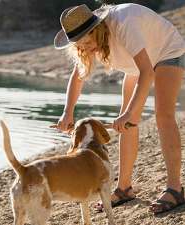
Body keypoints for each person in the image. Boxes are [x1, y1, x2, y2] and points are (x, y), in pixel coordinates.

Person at [53, 3, 185, 214]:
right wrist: (67, 112)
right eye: (81, 46)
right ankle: (124, 188)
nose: (86, 49)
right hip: (137, 62)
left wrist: (129, 113)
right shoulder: (84, 40)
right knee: (127, 124)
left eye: (88, 42)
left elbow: (147, 72)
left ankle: (175, 189)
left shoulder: (124, 24)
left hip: (165, 51)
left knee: (163, 115)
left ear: (97, 29)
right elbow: (78, 76)